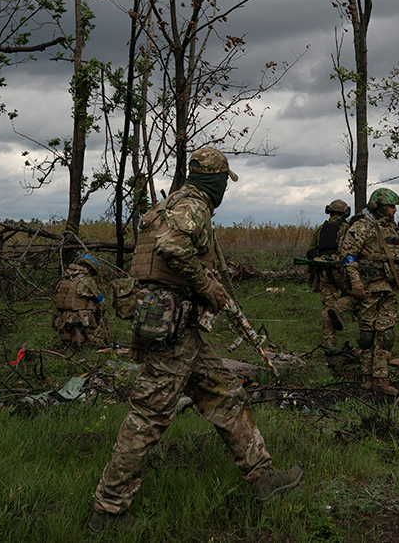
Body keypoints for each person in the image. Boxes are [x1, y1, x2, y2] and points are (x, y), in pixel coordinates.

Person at [89, 148, 302, 532]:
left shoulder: (171, 203)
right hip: (174, 329)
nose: (224, 188)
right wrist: (205, 283)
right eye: (224, 180)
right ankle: (108, 511)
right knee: (148, 417)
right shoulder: (193, 205)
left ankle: (262, 476)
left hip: (178, 328)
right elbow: (171, 247)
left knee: (225, 396)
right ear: (215, 179)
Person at [338, 188, 399, 396]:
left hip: (388, 288)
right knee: (366, 335)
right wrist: (356, 283)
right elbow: (348, 256)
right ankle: (367, 377)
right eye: (391, 206)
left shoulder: (391, 227)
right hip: (367, 289)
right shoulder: (362, 226)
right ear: (378, 207)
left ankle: (381, 378)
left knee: (386, 335)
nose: (394, 210)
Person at [306, 198, 354, 347]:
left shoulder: (320, 229)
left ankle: (329, 342)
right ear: (345, 212)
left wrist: (312, 275)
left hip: (324, 271)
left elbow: (311, 253)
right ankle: (338, 308)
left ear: (329, 211)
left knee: (327, 305)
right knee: (355, 296)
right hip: (343, 270)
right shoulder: (349, 229)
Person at [51, 253, 108, 348]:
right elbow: (101, 304)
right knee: (102, 339)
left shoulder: (64, 279)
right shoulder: (86, 281)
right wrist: (98, 318)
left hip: (64, 327)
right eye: (92, 273)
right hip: (80, 326)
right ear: (89, 269)